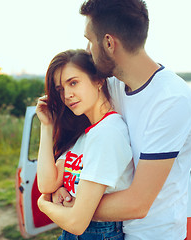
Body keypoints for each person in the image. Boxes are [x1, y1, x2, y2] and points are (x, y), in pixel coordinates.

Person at [48, 0, 191, 239]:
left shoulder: (171, 101)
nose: (88, 49)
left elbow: (137, 204)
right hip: (115, 232)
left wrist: (76, 207)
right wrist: (64, 187)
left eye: (90, 40)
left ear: (109, 43)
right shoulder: (112, 85)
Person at [36, 49, 134, 240]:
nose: (67, 95)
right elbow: (47, 183)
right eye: (60, 89)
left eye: (73, 83)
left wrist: (44, 205)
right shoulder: (85, 134)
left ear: (98, 80)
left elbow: (77, 222)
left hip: (98, 232)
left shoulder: (108, 133)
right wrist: (46, 126)